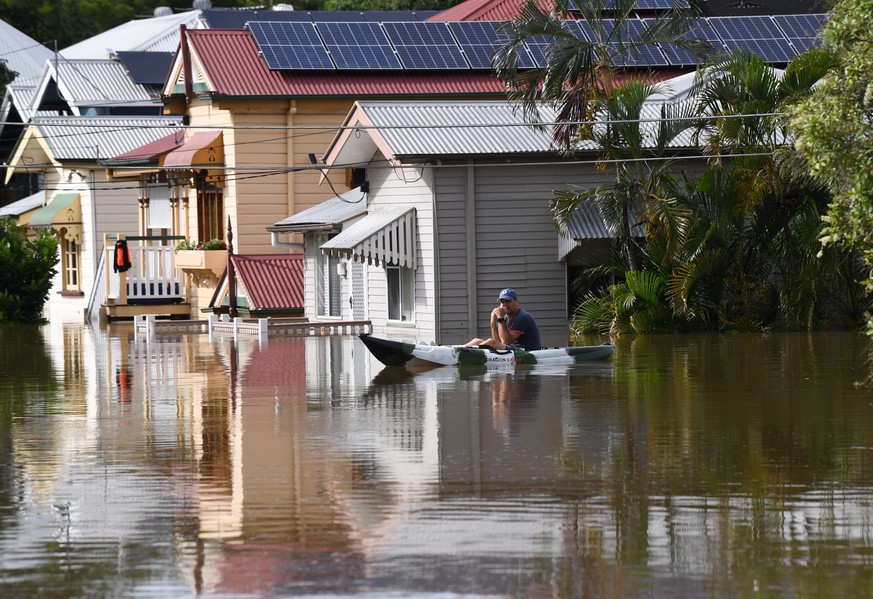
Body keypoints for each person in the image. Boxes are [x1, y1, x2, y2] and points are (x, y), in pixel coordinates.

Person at [466, 288, 542, 351]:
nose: (505, 304)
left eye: (508, 301)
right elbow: (497, 342)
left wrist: (500, 319)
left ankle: (466, 353)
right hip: (514, 349)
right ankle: (459, 350)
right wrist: (493, 322)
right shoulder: (505, 316)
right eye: (502, 302)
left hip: (526, 351)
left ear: (517, 302)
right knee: (476, 340)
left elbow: (505, 342)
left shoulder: (521, 317)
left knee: (490, 342)